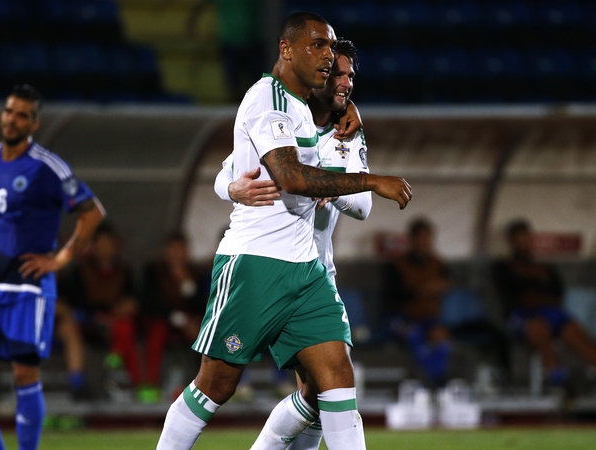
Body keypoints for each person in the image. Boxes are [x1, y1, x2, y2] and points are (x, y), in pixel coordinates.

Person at [156, 12, 412, 450]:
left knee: (335, 379)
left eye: (332, 50)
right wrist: (370, 179)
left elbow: (294, 172)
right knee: (216, 385)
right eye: (319, 46)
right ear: (286, 48)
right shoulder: (267, 99)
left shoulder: (309, 110)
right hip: (256, 263)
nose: (329, 59)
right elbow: (291, 178)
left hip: (308, 271)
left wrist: (345, 120)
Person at [214, 37, 371, 450]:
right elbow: (228, 171)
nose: (343, 82)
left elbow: (365, 205)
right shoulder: (282, 112)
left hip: (317, 273)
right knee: (220, 384)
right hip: (267, 267)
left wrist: (334, 188)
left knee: (324, 392)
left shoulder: (347, 132)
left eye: (349, 75)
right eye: (335, 72)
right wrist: (233, 188)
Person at [0, 84, 104, 450]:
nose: (11, 119)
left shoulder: (46, 167)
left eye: (21, 115)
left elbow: (92, 212)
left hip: (27, 288)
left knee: (24, 373)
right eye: (8, 111)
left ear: (34, 123)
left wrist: (61, 259)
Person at [492, 219, 596, 386]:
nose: (524, 241)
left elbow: (557, 293)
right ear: (511, 240)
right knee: (540, 329)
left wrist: (539, 296)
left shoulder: (544, 266)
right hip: (523, 317)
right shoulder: (503, 267)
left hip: (552, 313)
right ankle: (555, 377)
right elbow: (511, 297)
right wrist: (535, 296)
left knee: (575, 333)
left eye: (527, 236)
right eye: (519, 237)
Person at [57, 222, 143, 392]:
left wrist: (113, 315)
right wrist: (90, 316)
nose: (105, 247)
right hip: (86, 323)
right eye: (100, 243)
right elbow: (68, 303)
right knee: (69, 326)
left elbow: (133, 301)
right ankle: (79, 382)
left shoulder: (124, 271)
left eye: (108, 243)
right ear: (93, 245)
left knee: (125, 326)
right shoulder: (79, 271)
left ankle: (127, 373)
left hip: (114, 322)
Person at [381, 218, 453, 388]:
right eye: (420, 238)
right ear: (411, 239)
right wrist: (422, 291)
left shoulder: (438, 263)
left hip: (428, 317)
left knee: (441, 336)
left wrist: (440, 287)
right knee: (413, 334)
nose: (424, 242)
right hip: (399, 317)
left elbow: (448, 282)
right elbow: (393, 296)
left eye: (427, 238)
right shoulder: (396, 265)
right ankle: (436, 381)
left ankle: (435, 378)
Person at [140, 232, 209, 399]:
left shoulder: (195, 272)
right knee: (158, 330)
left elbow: (202, 305)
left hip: (190, 323)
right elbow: (150, 303)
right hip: (162, 321)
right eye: (173, 249)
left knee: (206, 331)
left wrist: (186, 285)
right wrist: (179, 319)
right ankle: (152, 382)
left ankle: (204, 384)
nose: (177, 254)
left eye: (181, 249)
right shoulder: (153, 271)